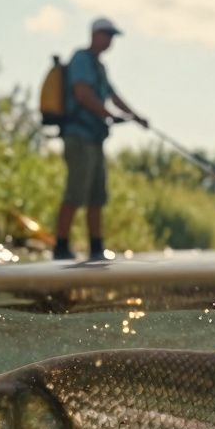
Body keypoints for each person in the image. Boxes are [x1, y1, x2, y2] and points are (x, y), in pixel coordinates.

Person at [53, 17, 148, 261]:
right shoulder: (82, 59)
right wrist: (109, 115)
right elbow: (83, 94)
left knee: (97, 195)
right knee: (75, 192)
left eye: (112, 36)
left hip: (95, 140)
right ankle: (61, 246)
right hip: (78, 137)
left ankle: (96, 247)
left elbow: (113, 95)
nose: (109, 40)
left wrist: (135, 116)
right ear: (95, 35)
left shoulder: (100, 67)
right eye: (106, 35)